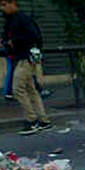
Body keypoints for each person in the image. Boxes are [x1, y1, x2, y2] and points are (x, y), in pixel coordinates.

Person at [1, 0, 50, 135]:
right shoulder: (12, 20)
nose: (2, 8)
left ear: (13, 3)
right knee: (30, 90)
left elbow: (33, 35)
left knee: (17, 89)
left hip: (25, 57)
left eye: (5, 4)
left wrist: (14, 41)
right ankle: (43, 120)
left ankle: (32, 120)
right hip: (22, 57)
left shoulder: (21, 19)